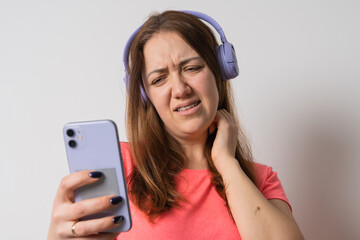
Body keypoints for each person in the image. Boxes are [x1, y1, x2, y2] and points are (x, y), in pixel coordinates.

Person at [47, 10, 304, 240]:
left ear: (220, 72)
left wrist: (226, 162)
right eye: (159, 79)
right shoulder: (120, 165)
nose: (180, 89)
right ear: (145, 95)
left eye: (192, 68)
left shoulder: (258, 178)